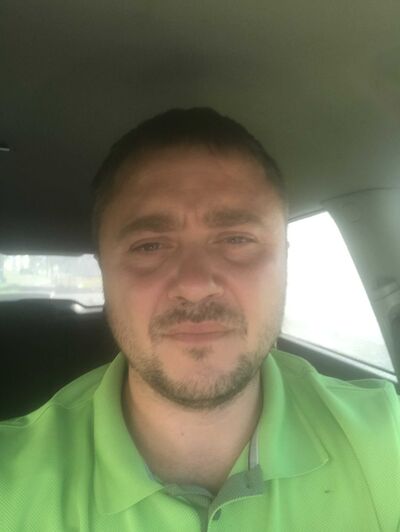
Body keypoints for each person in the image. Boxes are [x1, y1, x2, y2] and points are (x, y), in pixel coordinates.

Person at [0, 108, 399, 531]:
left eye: (236, 239)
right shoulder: (12, 483)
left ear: (285, 260)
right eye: (150, 245)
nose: (195, 285)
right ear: (104, 272)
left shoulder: (387, 436)